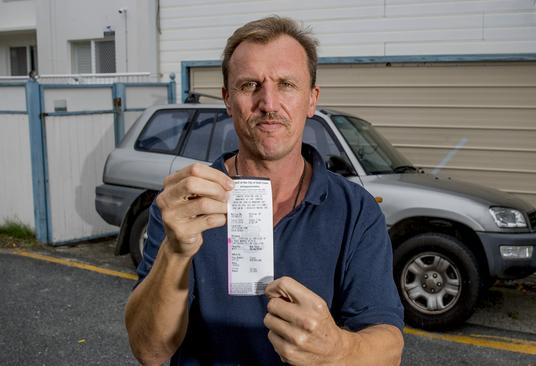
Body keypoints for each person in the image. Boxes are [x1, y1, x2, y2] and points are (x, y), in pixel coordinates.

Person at [124, 16, 404, 365]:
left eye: (286, 84)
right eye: (249, 85)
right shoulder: (188, 205)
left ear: (312, 100)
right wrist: (175, 253)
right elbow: (149, 352)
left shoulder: (356, 210)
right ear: (227, 99)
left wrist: (338, 350)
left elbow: (389, 348)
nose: (268, 103)